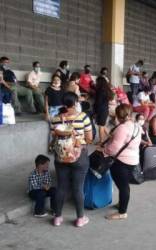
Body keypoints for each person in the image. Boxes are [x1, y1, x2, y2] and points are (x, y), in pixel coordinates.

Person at [51, 92, 93, 227]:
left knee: (61, 187)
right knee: (77, 188)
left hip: (60, 156)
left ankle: (57, 218)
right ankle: (80, 218)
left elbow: (54, 138)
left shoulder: (56, 118)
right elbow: (89, 139)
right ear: (75, 103)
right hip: (78, 156)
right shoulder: (83, 117)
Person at [103, 104, 141, 220]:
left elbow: (114, 147)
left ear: (118, 116)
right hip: (133, 159)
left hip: (121, 161)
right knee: (123, 185)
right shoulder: (137, 126)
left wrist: (104, 150)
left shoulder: (122, 128)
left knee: (123, 186)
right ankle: (121, 204)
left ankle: (122, 212)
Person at [94, 76, 114, 144]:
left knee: (101, 126)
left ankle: (101, 141)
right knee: (103, 125)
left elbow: (98, 102)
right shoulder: (107, 90)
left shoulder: (100, 91)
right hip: (105, 109)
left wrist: (95, 111)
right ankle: (112, 138)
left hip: (101, 110)